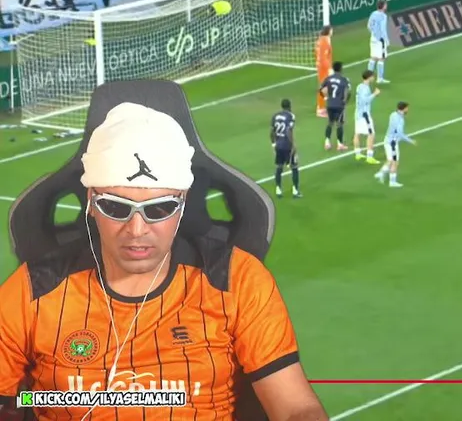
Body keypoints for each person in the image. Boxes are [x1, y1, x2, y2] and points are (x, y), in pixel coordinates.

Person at [0, 103, 328, 419]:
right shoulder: (33, 290)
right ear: (91, 202)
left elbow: (295, 409)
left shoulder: (235, 279)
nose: (137, 230)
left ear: (183, 203)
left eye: (159, 209)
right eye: (115, 207)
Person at [375, 102, 414, 188]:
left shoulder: (393, 114)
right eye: (407, 108)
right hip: (392, 143)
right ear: (404, 108)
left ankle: (381, 173)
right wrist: (410, 141)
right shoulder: (400, 120)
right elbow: (400, 133)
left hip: (387, 140)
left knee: (390, 160)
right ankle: (392, 182)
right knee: (395, 162)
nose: (408, 110)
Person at [270, 98, 301, 198]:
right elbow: (288, 130)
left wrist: (273, 144)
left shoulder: (275, 116)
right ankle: (295, 191)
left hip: (278, 145)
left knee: (279, 167)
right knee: (294, 167)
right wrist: (293, 144)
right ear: (289, 106)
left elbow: (272, 131)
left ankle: (278, 190)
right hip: (287, 145)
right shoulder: (291, 116)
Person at [319, 62, 351, 151]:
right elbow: (347, 91)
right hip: (339, 105)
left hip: (330, 104)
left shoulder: (328, 78)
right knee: (339, 124)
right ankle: (340, 144)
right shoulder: (344, 79)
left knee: (330, 122)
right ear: (341, 69)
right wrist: (345, 101)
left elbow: (321, 90)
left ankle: (327, 142)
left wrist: (325, 97)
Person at [352, 71, 381, 164]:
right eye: (373, 76)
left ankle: (357, 153)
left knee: (357, 133)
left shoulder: (359, 86)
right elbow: (364, 101)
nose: (374, 78)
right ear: (369, 77)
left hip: (358, 113)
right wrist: (375, 94)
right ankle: (369, 157)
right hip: (364, 114)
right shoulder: (365, 88)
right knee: (371, 134)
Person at [367, 1, 390, 84]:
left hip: (373, 38)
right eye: (385, 5)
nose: (386, 6)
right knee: (381, 58)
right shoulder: (383, 16)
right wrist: (386, 40)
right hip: (380, 40)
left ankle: (368, 77)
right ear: (383, 6)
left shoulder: (373, 14)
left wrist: (373, 33)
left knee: (373, 57)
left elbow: (369, 26)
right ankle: (380, 78)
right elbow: (383, 29)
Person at [314, 26, 333, 118]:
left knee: (325, 86)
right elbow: (323, 57)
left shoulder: (319, 40)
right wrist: (329, 68)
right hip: (323, 67)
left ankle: (322, 106)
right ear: (328, 31)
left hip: (320, 66)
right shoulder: (325, 41)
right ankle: (320, 109)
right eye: (331, 30)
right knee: (323, 87)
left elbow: (317, 54)